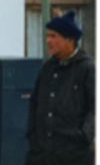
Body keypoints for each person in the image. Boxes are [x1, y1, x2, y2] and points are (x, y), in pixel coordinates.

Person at [25, 10, 95, 165]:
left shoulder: (88, 69)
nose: (47, 40)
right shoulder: (47, 68)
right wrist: (32, 134)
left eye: (53, 36)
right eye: (47, 35)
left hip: (73, 155)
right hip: (41, 154)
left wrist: (83, 135)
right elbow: (34, 102)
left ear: (69, 40)